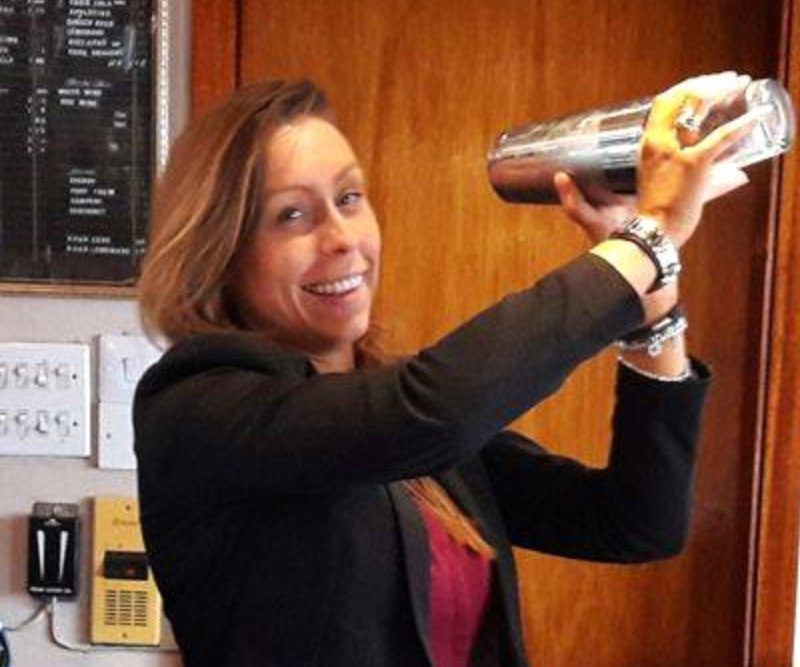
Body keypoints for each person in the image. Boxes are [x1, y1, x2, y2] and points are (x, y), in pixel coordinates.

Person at [134, 72, 758, 667]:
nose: (343, 238)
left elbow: (633, 523)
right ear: (220, 253)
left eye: (350, 198)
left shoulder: (419, 432)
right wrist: (644, 243)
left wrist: (654, 317)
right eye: (292, 216)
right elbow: (430, 412)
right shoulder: (198, 408)